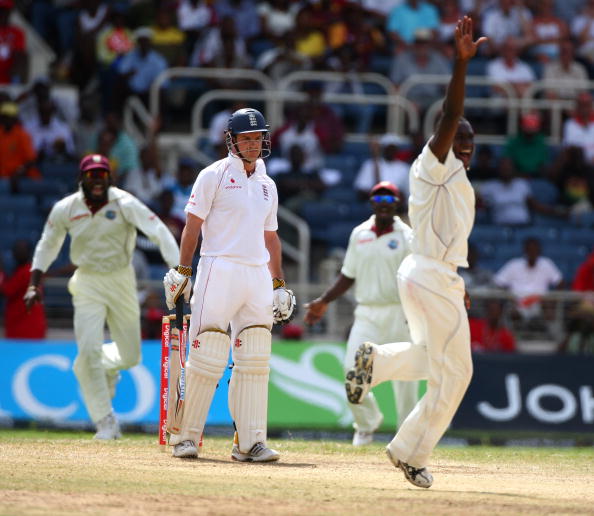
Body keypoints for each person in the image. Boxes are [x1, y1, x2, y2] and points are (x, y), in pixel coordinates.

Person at [344, 17, 486, 488]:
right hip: (428, 272)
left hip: (432, 273)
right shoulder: (432, 163)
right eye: (457, 141)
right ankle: (410, 451)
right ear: (442, 141)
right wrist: (460, 66)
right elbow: (449, 115)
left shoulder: (457, 178)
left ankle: (378, 362)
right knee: (456, 373)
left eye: (469, 143)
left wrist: (456, 286)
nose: (463, 148)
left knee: (432, 358)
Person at [162, 108, 296, 461]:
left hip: (255, 275)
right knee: (207, 353)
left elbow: (271, 238)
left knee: (254, 356)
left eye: (258, 137)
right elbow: (192, 227)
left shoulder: (268, 184)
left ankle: (250, 442)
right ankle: (186, 438)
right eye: (246, 138)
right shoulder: (214, 175)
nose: (253, 144)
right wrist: (183, 271)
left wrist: (278, 283)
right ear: (232, 141)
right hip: (218, 268)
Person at [24, 153, 179, 440]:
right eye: (91, 175)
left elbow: (159, 231)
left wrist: (178, 271)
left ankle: (103, 364)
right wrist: (34, 283)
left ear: (110, 178)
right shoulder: (66, 208)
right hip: (87, 282)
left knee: (131, 356)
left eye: (102, 175)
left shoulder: (124, 203)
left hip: (121, 279)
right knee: (87, 352)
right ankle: (106, 422)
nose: (97, 181)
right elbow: (48, 245)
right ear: (82, 179)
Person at [304, 181, 418, 446]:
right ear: (371, 203)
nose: (384, 204)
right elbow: (348, 275)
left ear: (397, 204)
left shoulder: (408, 236)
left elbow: (417, 276)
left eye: (390, 200)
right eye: (379, 199)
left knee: (406, 378)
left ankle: (407, 437)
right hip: (366, 312)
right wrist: (324, 301)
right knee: (351, 369)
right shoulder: (359, 233)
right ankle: (366, 424)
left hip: (400, 311)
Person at [0, 240, 46, 339]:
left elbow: (6, 291)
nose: (17, 253)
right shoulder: (25, 270)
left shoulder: (27, 271)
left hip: (26, 328)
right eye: (16, 250)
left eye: (21, 250)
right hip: (22, 325)